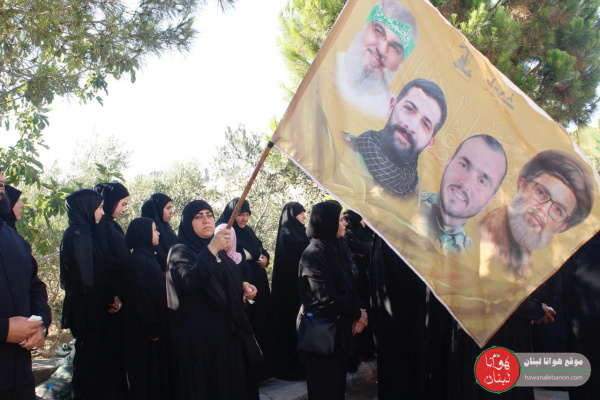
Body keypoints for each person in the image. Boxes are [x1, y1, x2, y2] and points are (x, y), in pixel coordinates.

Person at [168, 200, 257, 400]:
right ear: (188, 223)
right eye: (198, 217)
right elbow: (190, 281)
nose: (206, 220)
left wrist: (243, 287)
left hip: (228, 337)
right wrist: (211, 250)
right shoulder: (180, 251)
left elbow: (225, 278)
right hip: (203, 342)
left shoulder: (220, 253)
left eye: (209, 215)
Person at [479, 150, 594, 281]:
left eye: (558, 210)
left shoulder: (537, 274)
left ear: (562, 226)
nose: (543, 210)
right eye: (541, 192)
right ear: (522, 185)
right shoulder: (474, 233)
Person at [298, 200, 367, 400]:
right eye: (341, 219)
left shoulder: (338, 246)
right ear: (328, 223)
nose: (346, 223)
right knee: (324, 389)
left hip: (340, 331)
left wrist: (360, 313)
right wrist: (357, 314)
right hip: (322, 335)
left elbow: (351, 284)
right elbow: (327, 297)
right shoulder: (312, 255)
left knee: (337, 387)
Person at [348, 78, 448, 197]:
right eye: (409, 109)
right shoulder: (337, 148)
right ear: (391, 107)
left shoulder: (419, 205)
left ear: (430, 144)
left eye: (425, 125)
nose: (412, 126)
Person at [0, 172, 51, 400]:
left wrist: (41, 324)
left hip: (19, 377)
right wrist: (4, 329)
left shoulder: (15, 239)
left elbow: (36, 287)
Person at [416, 134, 508, 254]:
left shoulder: (469, 256)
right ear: (447, 165)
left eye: (482, 181)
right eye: (464, 165)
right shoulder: (404, 199)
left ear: (488, 201)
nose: (466, 184)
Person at [60, 189, 111, 400]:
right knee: (88, 363)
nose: (102, 213)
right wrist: (110, 298)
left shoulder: (78, 232)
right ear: (87, 209)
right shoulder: (80, 234)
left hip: (84, 306)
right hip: (87, 309)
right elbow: (89, 275)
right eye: (99, 208)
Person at [216, 198, 272, 383]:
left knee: (261, 322)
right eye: (241, 215)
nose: (244, 219)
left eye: (247, 215)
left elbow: (260, 249)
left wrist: (265, 259)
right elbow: (230, 253)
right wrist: (251, 255)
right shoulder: (226, 230)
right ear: (233, 215)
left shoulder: (247, 231)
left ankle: (263, 371)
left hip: (258, 284)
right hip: (241, 283)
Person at [336, 0, 418, 118]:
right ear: (364, 28)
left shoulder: (393, 113)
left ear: (401, 62)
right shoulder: (327, 65)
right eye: (378, 31)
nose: (382, 50)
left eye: (395, 48)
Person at [124, 218, 169, 400]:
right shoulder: (138, 261)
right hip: (143, 332)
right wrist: (153, 328)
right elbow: (142, 297)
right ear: (143, 234)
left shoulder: (149, 257)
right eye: (154, 230)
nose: (158, 233)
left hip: (151, 328)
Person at [93, 182, 131, 399]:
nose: (124, 209)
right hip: (111, 302)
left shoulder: (111, 225)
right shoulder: (101, 227)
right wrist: (111, 296)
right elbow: (103, 264)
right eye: (122, 204)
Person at [270, 201, 310, 380]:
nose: (304, 216)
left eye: (304, 212)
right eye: (300, 213)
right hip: (290, 289)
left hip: (302, 288)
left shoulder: (301, 232)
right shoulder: (288, 235)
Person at [343, 210, 375, 359]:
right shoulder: (348, 232)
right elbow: (360, 247)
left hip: (365, 279)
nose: (346, 223)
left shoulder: (362, 231)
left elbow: (369, 247)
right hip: (357, 282)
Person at [141, 193, 178, 272]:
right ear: (158, 209)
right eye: (168, 208)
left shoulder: (166, 229)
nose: (171, 212)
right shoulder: (147, 235)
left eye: (171, 208)